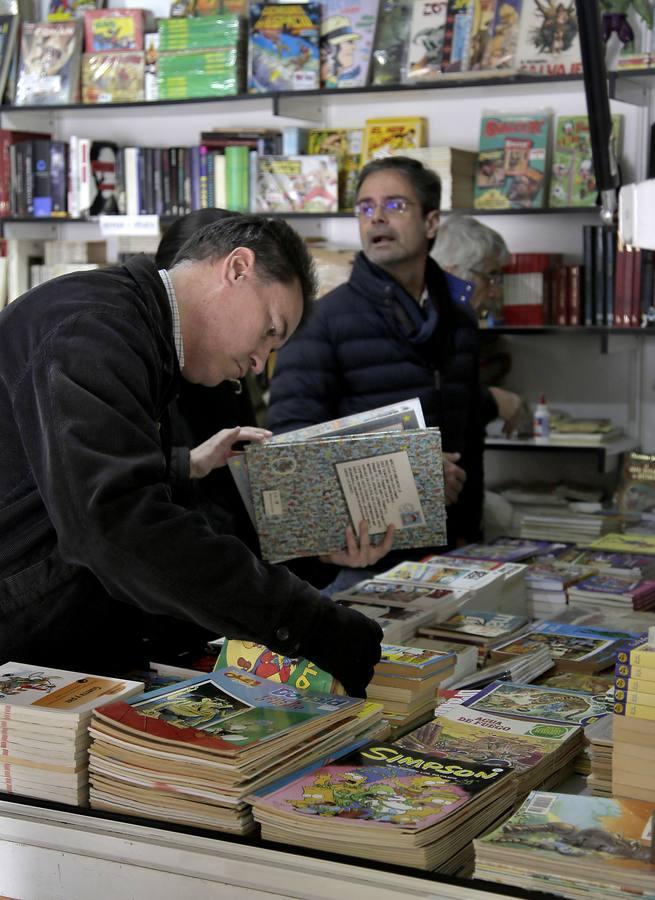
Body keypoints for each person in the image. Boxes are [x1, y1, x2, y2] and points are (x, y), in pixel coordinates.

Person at [0, 214, 389, 697]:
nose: (259, 362)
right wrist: (307, 622)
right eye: (270, 330)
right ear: (238, 268)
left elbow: (115, 502)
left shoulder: (135, 332)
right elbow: (118, 527)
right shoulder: (94, 329)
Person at [268, 156, 485, 548]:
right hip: (364, 553)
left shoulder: (460, 319)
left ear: (431, 222)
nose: (376, 218)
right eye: (366, 207)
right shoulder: (321, 321)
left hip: (451, 549)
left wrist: (472, 534)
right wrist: (409, 470)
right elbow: (289, 453)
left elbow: (470, 438)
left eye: (395, 205)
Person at [432, 214, 523, 437]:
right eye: (489, 276)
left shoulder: (454, 323)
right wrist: (493, 401)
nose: (495, 291)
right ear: (452, 272)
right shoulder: (428, 325)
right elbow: (429, 408)